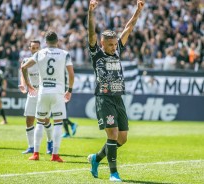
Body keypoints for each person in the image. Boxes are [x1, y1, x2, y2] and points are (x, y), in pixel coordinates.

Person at [87, 0, 144, 182]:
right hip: (104, 98)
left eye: (114, 44)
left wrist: (137, 11)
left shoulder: (118, 50)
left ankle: (96, 158)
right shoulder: (97, 53)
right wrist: (90, 13)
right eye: (110, 45)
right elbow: (90, 33)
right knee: (112, 134)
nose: (113, 47)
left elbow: (128, 27)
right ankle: (113, 173)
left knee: (122, 138)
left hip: (118, 98)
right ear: (102, 43)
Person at [21, 31, 74, 162]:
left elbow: (23, 67)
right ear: (57, 41)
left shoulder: (40, 53)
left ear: (45, 42)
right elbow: (71, 75)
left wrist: (28, 84)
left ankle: (35, 154)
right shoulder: (64, 54)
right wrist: (69, 90)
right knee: (57, 123)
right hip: (58, 92)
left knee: (39, 122)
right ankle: (55, 155)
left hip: (43, 91)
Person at [18, 40, 53, 154]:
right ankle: (31, 147)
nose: (35, 50)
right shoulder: (25, 61)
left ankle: (50, 142)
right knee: (29, 119)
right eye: (33, 48)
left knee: (45, 120)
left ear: (40, 48)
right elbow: (23, 72)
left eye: (37, 47)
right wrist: (24, 85)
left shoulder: (45, 60)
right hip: (32, 93)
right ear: (30, 49)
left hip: (43, 93)